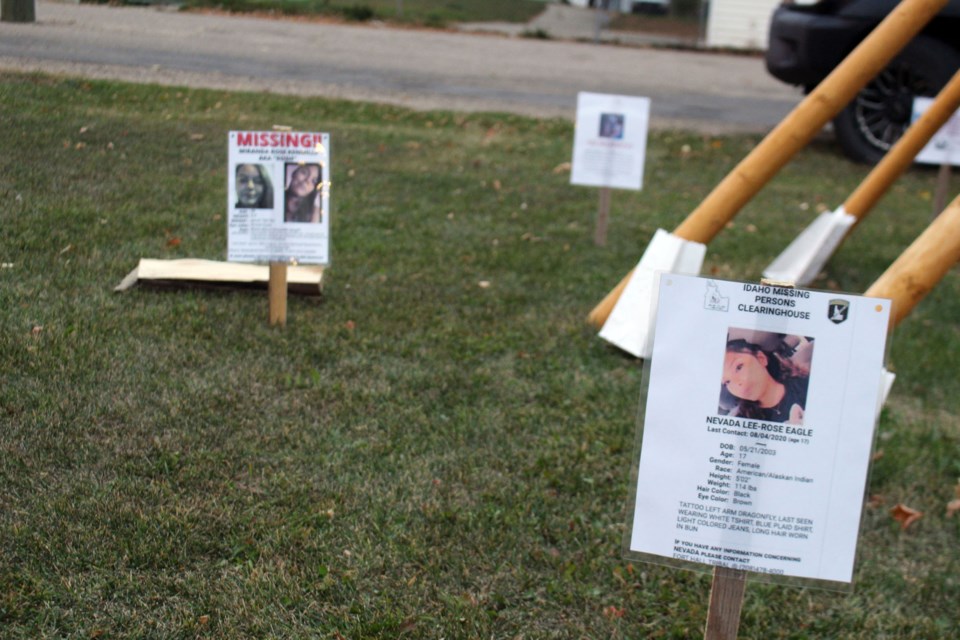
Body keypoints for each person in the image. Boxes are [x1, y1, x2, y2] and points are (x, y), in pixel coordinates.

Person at [721, 337, 811, 425]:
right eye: (727, 382)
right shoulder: (741, 423)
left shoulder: (807, 385)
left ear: (761, 359)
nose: (737, 383)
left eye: (739, 367)